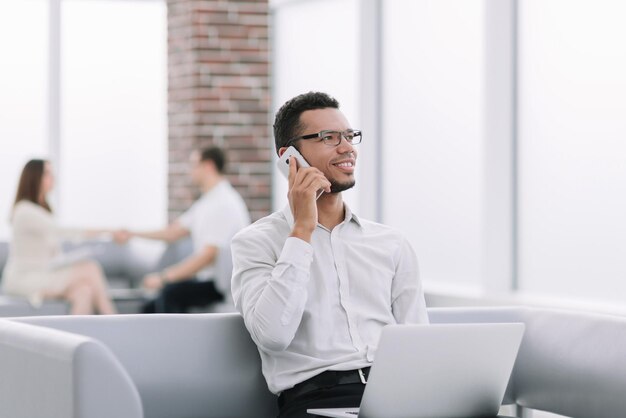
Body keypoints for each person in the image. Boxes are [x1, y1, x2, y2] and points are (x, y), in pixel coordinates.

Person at [231, 92, 429, 418]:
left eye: (350, 136)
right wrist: (302, 230)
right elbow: (273, 335)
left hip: (397, 398)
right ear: (289, 156)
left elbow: (418, 344)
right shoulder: (255, 242)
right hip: (318, 402)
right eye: (329, 138)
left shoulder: (391, 243)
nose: (347, 147)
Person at [117, 147, 250, 313]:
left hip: (221, 287)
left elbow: (207, 256)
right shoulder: (207, 202)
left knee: (170, 294)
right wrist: (132, 234)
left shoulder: (224, 203)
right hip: (206, 281)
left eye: (194, 165)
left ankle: (171, 340)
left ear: (208, 166)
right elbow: (173, 232)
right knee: (149, 308)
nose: (190, 171)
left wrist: (164, 278)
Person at [1, 159, 118, 315]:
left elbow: (53, 254)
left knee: (84, 290)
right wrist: (109, 231)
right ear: (35, 178)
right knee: (90, 268)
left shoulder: (44, 211)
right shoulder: (24, 210)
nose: (53, 177)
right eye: (47, 173)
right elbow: (63, 231)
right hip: (24, 279)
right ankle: (115, 320)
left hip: (42, 274)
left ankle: (78, 339)